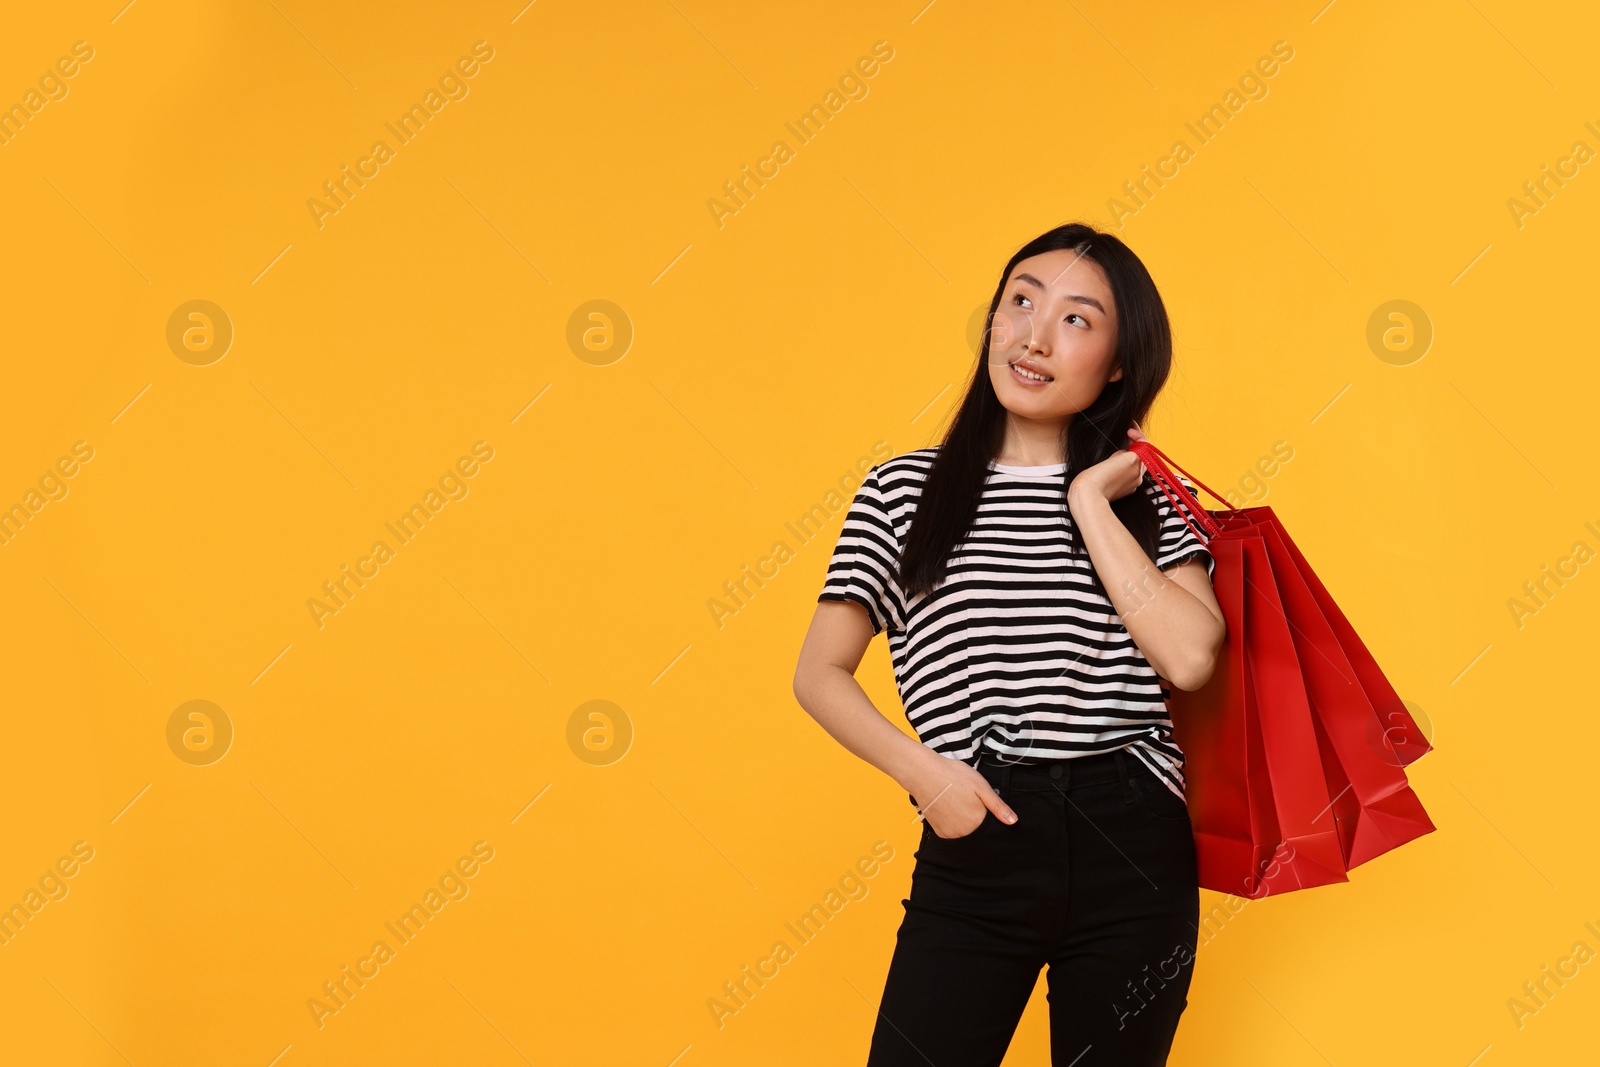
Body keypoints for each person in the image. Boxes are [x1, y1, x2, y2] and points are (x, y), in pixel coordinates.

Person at [792, 222, 1227, 1066]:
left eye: (1075, 317)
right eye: (1020, 300)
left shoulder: (1146, 501)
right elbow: (819, 671)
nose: (1033, 333)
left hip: (1132, 836)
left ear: (1120, 361)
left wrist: (1093, 502)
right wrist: (927, 775)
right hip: (978, 820)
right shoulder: (904, 491)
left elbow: (1190, 657)